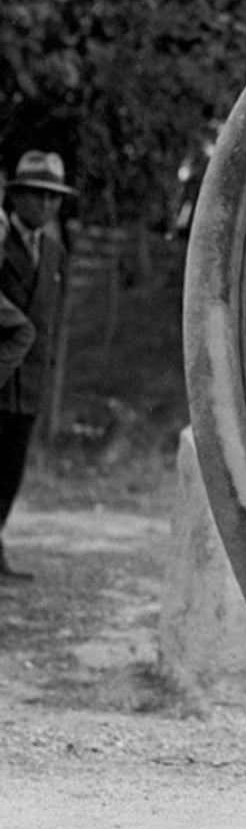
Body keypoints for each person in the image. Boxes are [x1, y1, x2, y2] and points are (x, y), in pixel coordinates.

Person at [0, 151, 76, 581]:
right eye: (37, 196)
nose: (46, 206)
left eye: (53, 198)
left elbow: (52, 322)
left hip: (27, 387)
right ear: (16, 197)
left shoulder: (54, 250)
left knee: (9, 474)